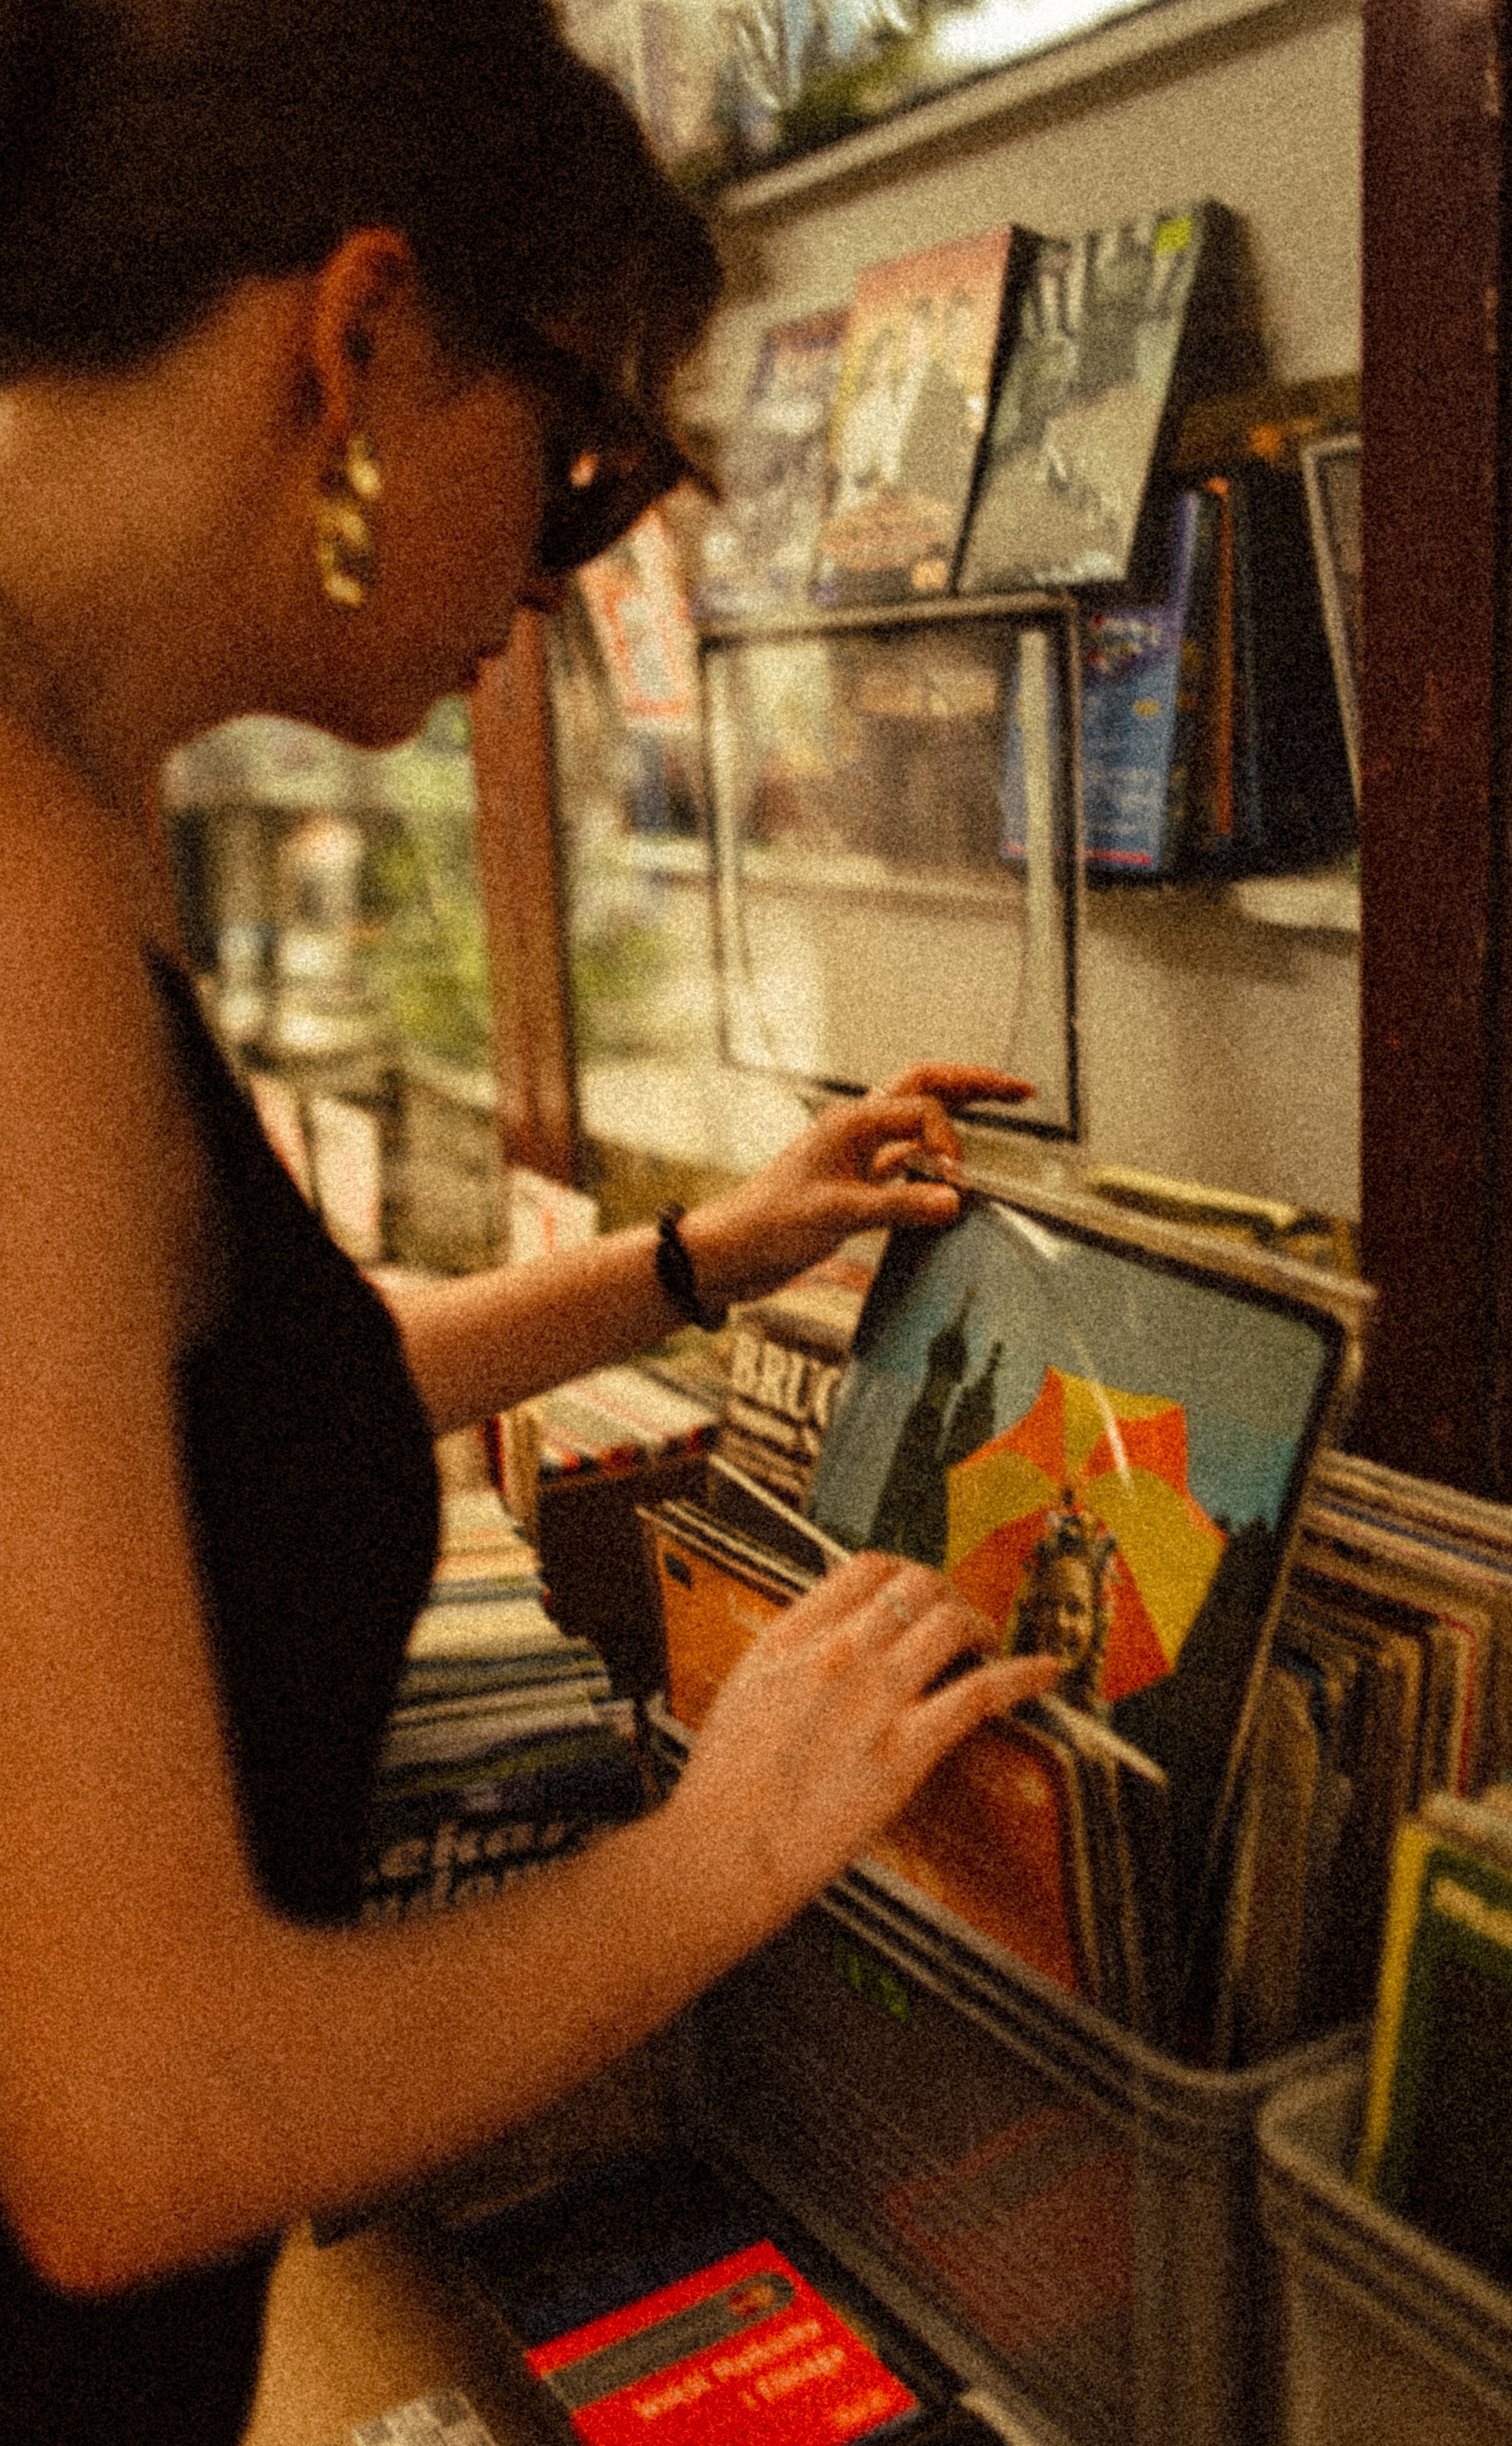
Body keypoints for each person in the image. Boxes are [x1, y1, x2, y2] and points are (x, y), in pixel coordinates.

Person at [0, 3, 1059, 2438]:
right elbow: (140, 2123)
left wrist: (699, 1261)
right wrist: (730, 1840)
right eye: (581, 476)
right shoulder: (25, 880)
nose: (576, 588)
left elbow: (184, 1431)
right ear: (361, 337)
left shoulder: (70, 790)